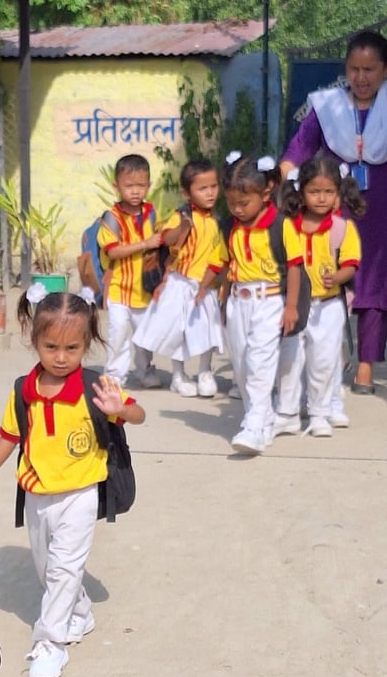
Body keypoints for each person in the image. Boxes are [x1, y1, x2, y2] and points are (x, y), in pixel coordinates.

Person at [0, 286, 145, 677]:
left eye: (72, 348)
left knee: (64, 568)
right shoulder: (23, 391)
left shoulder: (95, 387)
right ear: (34, 341)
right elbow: (9, 436)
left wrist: (122, 410)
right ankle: (79, 613)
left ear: (87, 344)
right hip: (37, 495)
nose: (61, 357)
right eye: (51, 347)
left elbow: (139, 414)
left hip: (81, 494)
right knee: (49, 568)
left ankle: (50, 645)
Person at [281, 29, 387, 395]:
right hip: (333, 210)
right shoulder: (327, 108)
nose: (361, 78)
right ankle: (329, 351)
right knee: (327, 277)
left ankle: (365, 366)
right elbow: (297, 151)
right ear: (346, 68)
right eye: (355, 69)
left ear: (384, 70)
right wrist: (283, 182)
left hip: (381, 213)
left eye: (370, 70)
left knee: (374, 286)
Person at [222, 153, 304, 456]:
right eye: (232, 203)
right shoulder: (231, 224)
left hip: (268, 300)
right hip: (238, 302)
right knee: (242, 366)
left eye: (244, 203)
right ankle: (261, 415)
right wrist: (223, 304)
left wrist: (291, 306)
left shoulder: (280, 225)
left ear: (265, 193)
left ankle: (254, 425)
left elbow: (294, 267)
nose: (237, 209)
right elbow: (227, 264)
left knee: (259, 362)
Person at [275, 156, 364, 437]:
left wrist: (337, 277)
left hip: (328, 305)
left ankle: (320, 413)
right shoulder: (289, 225)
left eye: (328, 192)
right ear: (301, 192)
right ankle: (287, 412)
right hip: (296, 304)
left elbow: (350, 264)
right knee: (290, 358)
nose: (321, 198)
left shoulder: (342, 229)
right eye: (315, 192)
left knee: (323, 361)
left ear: (338, 194)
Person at [132, 157, 228, 397]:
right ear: (187, 193)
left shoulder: (217, 221)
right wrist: (184, 227)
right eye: (202, 188)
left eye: (213, 187)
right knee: (179, 330)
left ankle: (205, 372)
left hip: (205, 285)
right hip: (179, 282)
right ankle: (178, 375)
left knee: (207, 329)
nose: (210, 193)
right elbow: (168, 238)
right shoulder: (181, 215)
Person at [97, 153, 163, 388]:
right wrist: (145, 244)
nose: (135, 191)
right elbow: (112, 251)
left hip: (144, 288)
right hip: (119, 289)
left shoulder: (151, 213)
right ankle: (115, 376)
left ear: (149, 185)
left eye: (141, 186)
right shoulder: (111, 218)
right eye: (129, 186)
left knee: (145, 336)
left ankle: (145, 370)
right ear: (117, 186)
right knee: (118, 334)